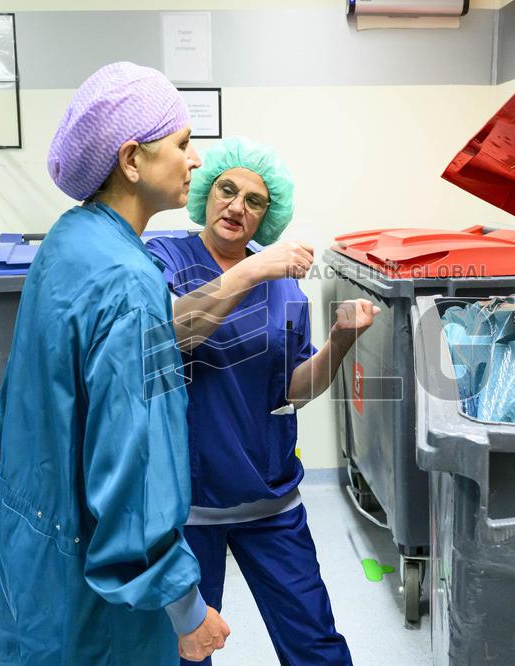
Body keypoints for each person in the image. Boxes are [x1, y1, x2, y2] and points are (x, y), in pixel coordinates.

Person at [0, 62, 230, 665]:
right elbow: (135, 465)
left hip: (33, 548)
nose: (196, 160)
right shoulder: (129, 283)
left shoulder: (67, 240)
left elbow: (20, 405)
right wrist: (185, 607)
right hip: (99, 595)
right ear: (131, 160)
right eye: (181, 144)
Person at [146, 136, 379, 666]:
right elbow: (170, 337)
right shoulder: (165, 257)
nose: (237, 207)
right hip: (187, 503)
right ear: (206, 191)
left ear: (266, 217)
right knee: (184, 652)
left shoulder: (286, 289)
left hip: (269, 497)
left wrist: (341, 340)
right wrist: (251, 268)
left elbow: (292, 391)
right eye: (228, 190)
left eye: (255, 202)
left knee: (315, 642)